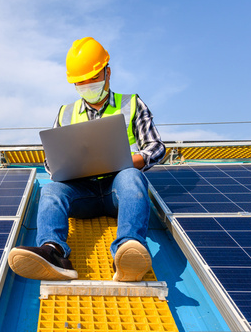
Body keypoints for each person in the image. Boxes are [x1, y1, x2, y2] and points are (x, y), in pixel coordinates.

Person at [8, 37, 165, 282]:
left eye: (93, 79)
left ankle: (128, 251)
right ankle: (54, 252)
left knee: (131, 177)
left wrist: (126, 161)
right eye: (81, 82)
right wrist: (66, 168)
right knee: (51, 191)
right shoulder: (66, 112)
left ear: (108, 73)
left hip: (118, 191)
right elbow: (51, 161)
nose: (87, 85)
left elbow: (155, 147)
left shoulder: (132, 103)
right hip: (82, 193)